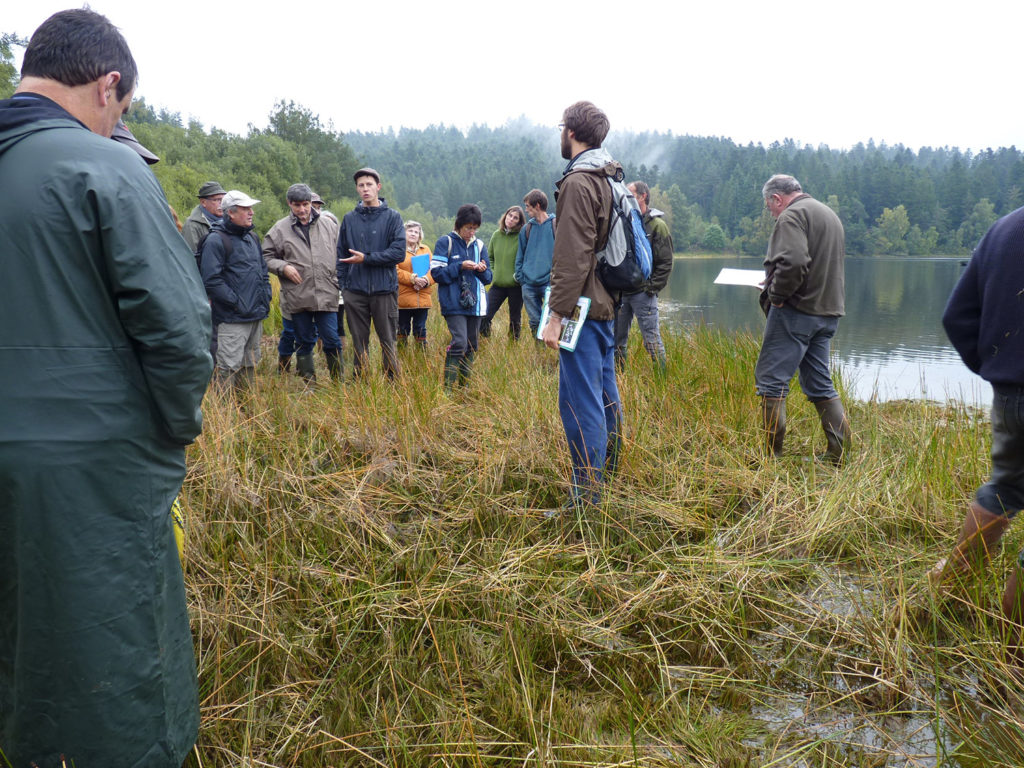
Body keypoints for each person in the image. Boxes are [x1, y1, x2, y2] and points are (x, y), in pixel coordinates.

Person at [0, 10, 212, 767]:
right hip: (94, 470)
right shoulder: (105, 166)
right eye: (119, 111)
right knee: (118, 662)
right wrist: (173, 429)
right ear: (108, 86)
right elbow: (180, 333)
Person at [930, 206, 1024, 656]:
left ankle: (948, 594)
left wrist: (999, 370)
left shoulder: (1006, 227)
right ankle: (1013, 654)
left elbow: (957, 317)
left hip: (1012, 392)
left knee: (1004, 487)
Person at [540, 101, 622, 511]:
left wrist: (556, 316)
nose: (560, 135)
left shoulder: (578, 182)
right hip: (605, 305)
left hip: (581, 311)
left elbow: (572, 257)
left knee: (578, 402)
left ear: (571, 132)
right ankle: (611, 477)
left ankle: (586, 501)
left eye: (561, 128)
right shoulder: (608, 177)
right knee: (605, 395)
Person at [757, 174, 850, 463]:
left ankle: (771, 459)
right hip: (828, 312)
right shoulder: (828, 214)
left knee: (771, 382)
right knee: (819, 383)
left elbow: (794, 262)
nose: (771, 212)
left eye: (769, 206)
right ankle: (839, 455)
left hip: (797, 312)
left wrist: (777, 295)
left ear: (777, 198)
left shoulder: (791, 216)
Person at [264, 183, 342, 381]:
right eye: (297, 205)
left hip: (327, 293)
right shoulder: (280, 229)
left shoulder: (329, 225)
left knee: (332, 339)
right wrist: (283, 267)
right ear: (289, 203)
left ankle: (338, 382)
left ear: (311, 203)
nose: (302, 209)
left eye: (306, 204)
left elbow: (342, 253)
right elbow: (265, 257)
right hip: (298, 294)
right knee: (304, 340)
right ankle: (309, 383)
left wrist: (339, 279)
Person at [337, 167, 406, 380]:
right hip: (355, 291)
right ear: (357, 189)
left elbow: (398, 253)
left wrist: (366, 258)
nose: (365, 189)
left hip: (384, 290)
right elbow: (340, 254)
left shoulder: (393, 217)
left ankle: (392, 383)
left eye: (369, 184)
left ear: (378, 187)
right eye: (361, 185)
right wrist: (344, 286)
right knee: (359, 342)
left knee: (388, 340)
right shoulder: (349, 219)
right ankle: (361, 383)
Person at [200, 189, 271, 388]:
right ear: (230, 212)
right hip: (231, 318)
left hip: (255, 315)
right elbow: (211, 280)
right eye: (245, 208)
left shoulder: (253, 238)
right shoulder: (216, 240)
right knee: (227, 367)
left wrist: (266, 296)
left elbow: (263, 271)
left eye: (251, 208)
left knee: (250, 364)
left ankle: (248, 409)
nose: (251, 212)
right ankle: (226, 413)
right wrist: (236, 303)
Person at [614, 181, 673, 371]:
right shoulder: (623, 221)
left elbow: (665, 263)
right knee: (616, 339)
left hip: (644, 293)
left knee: (652, 340)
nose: (627, 197)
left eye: (631, 194)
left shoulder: (657, 225)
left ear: (642, 196)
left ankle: (661, 382)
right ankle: (619, 380)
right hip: (622, 292)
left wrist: (651, 288)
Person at [431, 204, 492, 388]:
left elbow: (488, 277)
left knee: (472, 344)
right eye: (468, 228)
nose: (471, 232)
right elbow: (436, 274)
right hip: (453, 302)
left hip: (476, 303)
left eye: (475, 228)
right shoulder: (445, 242)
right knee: (459, 342)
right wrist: (460, 266)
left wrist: (481, 270)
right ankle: (448, 388)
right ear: (459, 224)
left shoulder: (479, 245)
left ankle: (464, 387)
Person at [515, 188, 556, 340]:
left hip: (550, 283)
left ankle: (550, 355)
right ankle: (539, 353)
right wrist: (521, 278)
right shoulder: (527, 229)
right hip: (528, 284)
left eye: (528, 206)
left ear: (537, 205)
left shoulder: (556, 224)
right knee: (534, 322)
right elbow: (520, 255)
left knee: (551, 321)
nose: (526, 210)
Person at [482, 205, 526, 340]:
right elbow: (489, 258)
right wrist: (494, 273)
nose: (511, 219)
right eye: (509, 215)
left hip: (516, 286)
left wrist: (518, 276)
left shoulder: (522, 237)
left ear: (519, 222)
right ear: (505, 216)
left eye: (515, 218)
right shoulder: (496, 235)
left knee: (515, 319)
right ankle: (485, 342)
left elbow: (526, 259)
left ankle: (513, 346)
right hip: (498, 285)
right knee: (485, 315)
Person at [397, 220, 435, 350]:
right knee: (402, 329)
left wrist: (426, 279)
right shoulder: (398, 250)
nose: (413, 234)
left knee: (420, 329)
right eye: (410, 231)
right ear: (404, 233)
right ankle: (402, 359)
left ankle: (420, 360)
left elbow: (434, 269)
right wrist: (413, 279)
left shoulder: (426, 250)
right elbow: (394, 271)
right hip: (404, 298)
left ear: (420, 235)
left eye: (416, 232)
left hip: (422, 297)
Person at [182, 179, 227, 253]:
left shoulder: (229, 221)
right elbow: (191, 256)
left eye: (223, 200)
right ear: (203, 202)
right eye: (217, 200)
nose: (221, 203)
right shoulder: (192, 225)